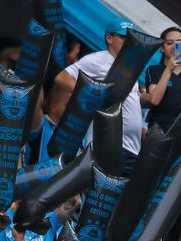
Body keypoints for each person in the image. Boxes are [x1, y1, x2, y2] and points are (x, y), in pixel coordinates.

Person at [55, 19, 144, 169]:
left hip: (132, 148)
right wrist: (91, 95)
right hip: (109, 144)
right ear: (109, 38)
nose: (129, 41)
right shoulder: (98, 59)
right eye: (123, 37)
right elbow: (61, 77)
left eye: (131, 38)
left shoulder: (130, 65)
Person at [143, 27, 181, 132]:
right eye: (169, 43)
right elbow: (154, 100)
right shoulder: (154, 70)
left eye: (179, 43)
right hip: (159, 132)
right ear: (162, 48)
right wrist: (168, 69)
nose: (174, 47)